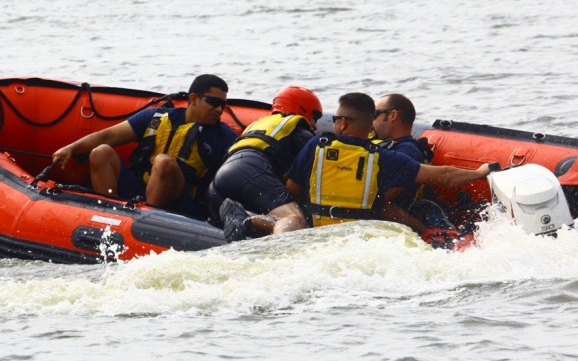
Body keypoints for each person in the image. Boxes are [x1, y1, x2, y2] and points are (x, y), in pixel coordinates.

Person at [284, 92, 494, 244]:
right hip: (360, 238)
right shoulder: (383, 157)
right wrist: (480, 172)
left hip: (319, 236)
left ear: (343, 123)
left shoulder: (317, 146)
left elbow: (292, 190)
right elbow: (444, 175)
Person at [50, 74, 236, 220]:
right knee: (101, 151)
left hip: (179, 201)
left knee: (163, 162)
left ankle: (145, 220)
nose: (219, 110)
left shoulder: (223, 136)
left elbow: (241, 168)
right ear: (193, 98)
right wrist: (71, 148)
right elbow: (108, 136)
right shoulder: (155, 117)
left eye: (223, 105)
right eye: (214, 103)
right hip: (138, 190)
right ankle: (107, 213)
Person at [209, 86, 322, 241]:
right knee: (295, 218)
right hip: (251, 170)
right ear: (303, 109)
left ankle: (246, 217)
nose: (315, 126)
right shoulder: (299, 131)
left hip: (219, 183)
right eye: (314, 117)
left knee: (280, 219)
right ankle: (280, 257)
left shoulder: (259, 125)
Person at [370, 93, 455, 235]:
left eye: (374, 115)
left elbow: (382, 205)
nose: (369, 122)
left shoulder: (407, 151)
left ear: (392, 116)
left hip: (390, 227)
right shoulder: (374, 145)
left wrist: (424, 232)